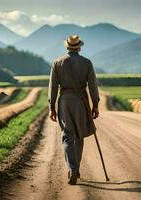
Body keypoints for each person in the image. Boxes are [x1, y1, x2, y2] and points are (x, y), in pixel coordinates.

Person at [48, 35, 100, 185]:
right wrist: (95, 104)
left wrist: (52, 106)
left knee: (67, 135)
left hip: (64, 101)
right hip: (81, 102)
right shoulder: (87, 63)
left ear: (67, 47)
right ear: (79, 47)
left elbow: (52, 87)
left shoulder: (57, 63)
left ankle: (72, 168)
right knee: (79, 135)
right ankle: (75, 169)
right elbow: (93, 86)